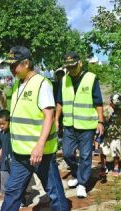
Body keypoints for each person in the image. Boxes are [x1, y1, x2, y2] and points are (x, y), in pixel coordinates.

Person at [1, 46, 69, 211]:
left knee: (54, 192)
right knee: (12, 192)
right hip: (19, 153)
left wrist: (39, 145)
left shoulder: (41, 84)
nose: (11, 69)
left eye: (14, 65)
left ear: (26, 63)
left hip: (40, 154)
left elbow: (49, 117)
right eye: (9, 65)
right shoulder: (18, 83)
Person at [55, 52, 104, 198]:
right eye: (68, 67)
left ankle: (82, 183)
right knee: (67, 153)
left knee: (85, 156)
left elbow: (98, 102)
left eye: (73, 66)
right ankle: (77, 173)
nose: (71, 70)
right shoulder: (64, 80)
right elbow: (60, 102)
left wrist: (100, 121)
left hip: (87, 125)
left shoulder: (91, 78)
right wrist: (57, 119)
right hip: (69, 125)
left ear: (80, 63)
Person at [99, 93, 121, 177]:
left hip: (116, 135)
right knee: (103, 150)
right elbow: (100, 120)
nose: (116, 105)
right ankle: (103, 167)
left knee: (116, 150)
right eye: (115, 103)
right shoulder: (105, 110)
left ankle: (116, 166)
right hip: (105, 134)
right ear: (111, 102)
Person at [0, 110, 12, 194]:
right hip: (4, 163)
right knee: (5, 181)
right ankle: (6, 197)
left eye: (3, 124)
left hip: (14, 162)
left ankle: (20, 199)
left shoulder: (13, 133)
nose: (1, 126)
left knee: (15, 181)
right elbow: (0, 148)